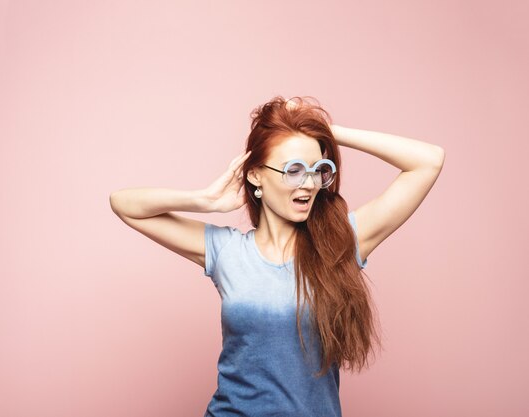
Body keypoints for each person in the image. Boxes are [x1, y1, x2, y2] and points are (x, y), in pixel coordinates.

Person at [109, 96, 445, 417]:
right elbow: (124, 205)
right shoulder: (227, 251)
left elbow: (427, 161)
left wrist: (327, 130)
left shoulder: (342, 244)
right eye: (294, 169)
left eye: (318, 170)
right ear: (256, 175)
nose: (310, 183)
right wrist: (205, 200)